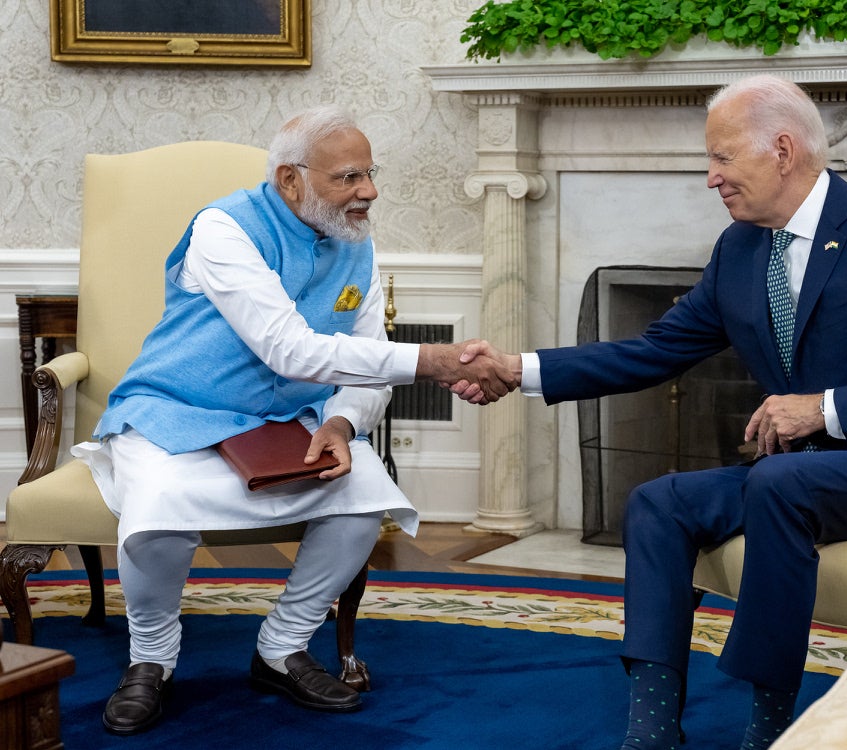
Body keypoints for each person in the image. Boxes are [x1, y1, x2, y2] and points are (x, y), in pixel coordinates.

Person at [454, 74, 847, 748]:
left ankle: (766, 723)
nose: (710, 178)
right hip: (800, 481)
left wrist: (820, 409)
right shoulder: (739, 250)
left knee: (778, 479)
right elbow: (655, 351)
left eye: (721, 158)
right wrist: (518, 369)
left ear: (781, 148)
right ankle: (651, 729)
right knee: (658, 502)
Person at [74, 105, 516, 736]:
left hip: (289, 422)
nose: (369, 191)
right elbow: (290, 349)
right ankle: (151, 658)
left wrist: (341, 423)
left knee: (364, 493)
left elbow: (361, 368)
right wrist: (433, 360)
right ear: (290, 180)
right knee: (159, 506)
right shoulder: (224, 228)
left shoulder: (356, 242)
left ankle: (281, 646)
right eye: (349, 178)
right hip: (178, 409)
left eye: (371, 174)